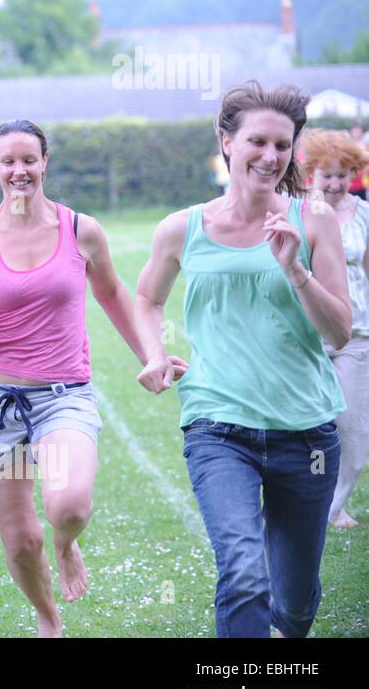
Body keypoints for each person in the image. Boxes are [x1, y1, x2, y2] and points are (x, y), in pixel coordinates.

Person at [0, 118, 184, 638]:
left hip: (63, 395)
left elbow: (115, 296)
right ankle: (49, 620)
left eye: (29, 159)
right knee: (20, 541)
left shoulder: (81, 230)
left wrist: (152, 353)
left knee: (67, 506)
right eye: (8, 161)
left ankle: (67, 543)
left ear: (45, 161)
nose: (19, 170)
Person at [134, 82, 351, 639]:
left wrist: (295, 269)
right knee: (244, 571)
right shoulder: (182, 228)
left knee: (296, 602)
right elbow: (147, 298)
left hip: (304, 432)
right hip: (218, 426)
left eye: (283, 145)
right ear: (227, 141)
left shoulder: (315, 220)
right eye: (257, 141)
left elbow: (340, 332)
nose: (270, 156)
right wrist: (155, 353)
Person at [299, 130, 369, 527]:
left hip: (358, 333)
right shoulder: (300, 212)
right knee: (308, 423)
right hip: (309, 334)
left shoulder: (363, 213)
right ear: (311, 174)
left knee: (353, 429)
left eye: (344, 175)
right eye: (327, 175)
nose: (336, 184)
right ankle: (305, 500)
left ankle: (333, 505)